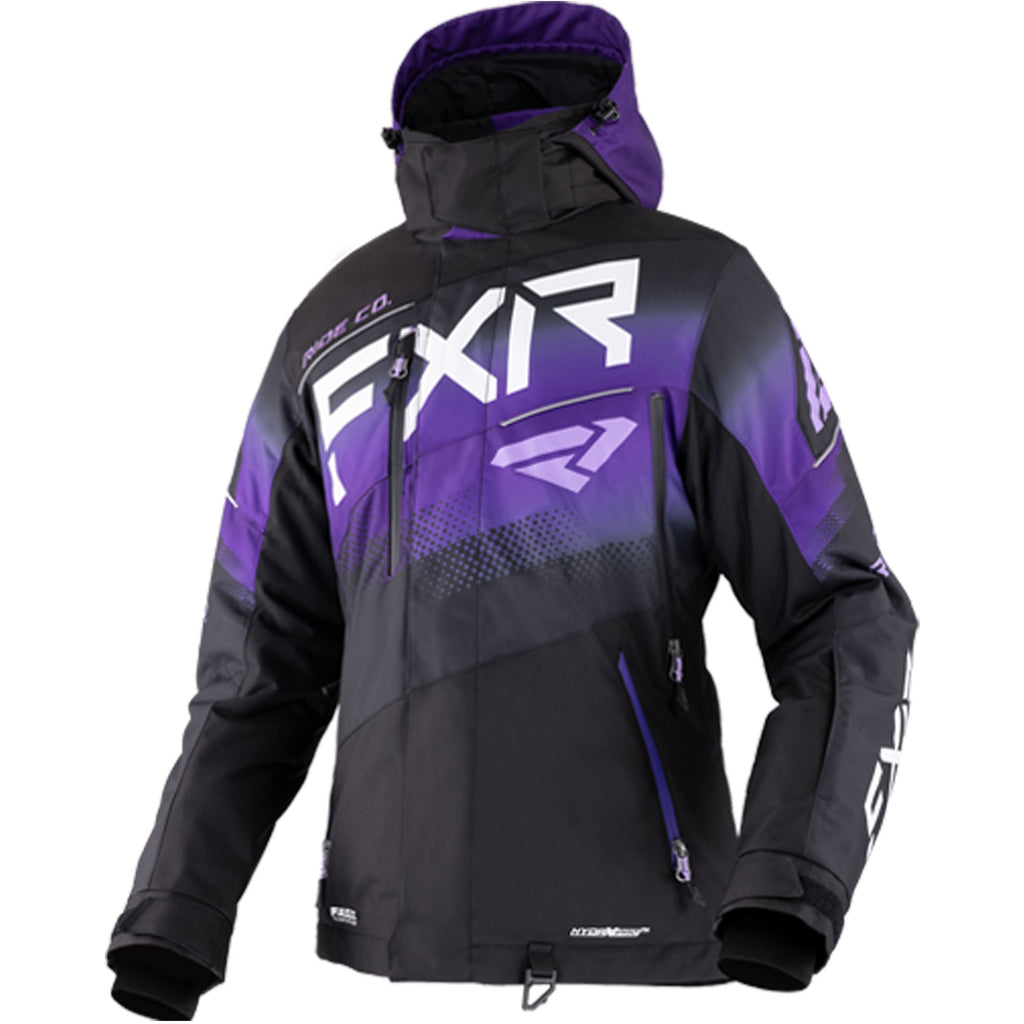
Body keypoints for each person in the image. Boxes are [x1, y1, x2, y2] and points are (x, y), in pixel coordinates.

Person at [106, 2, 918, 1017]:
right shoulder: (329, 326)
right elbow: (258, 667)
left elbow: (844, 608)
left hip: (648, 947)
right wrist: (176, 917)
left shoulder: (693, 290)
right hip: (382, 963)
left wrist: (793, 879)